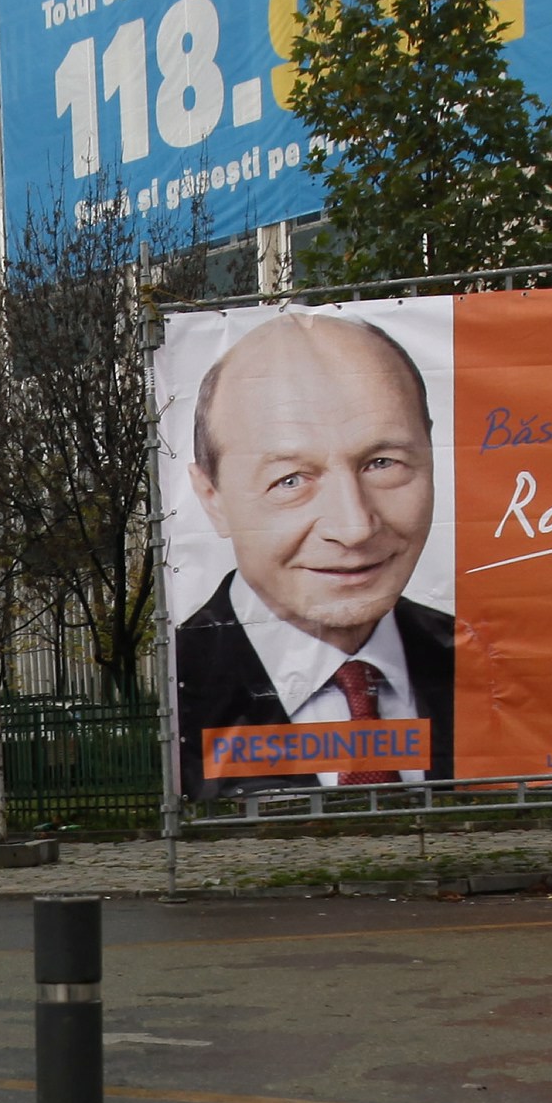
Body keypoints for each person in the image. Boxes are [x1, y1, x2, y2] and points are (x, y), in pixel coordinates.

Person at [170, 309, 457, 791]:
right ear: (212, 499)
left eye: (382, 463)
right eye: (290, 480)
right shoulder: (176, 684)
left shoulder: (491, 668)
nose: (355, 527)